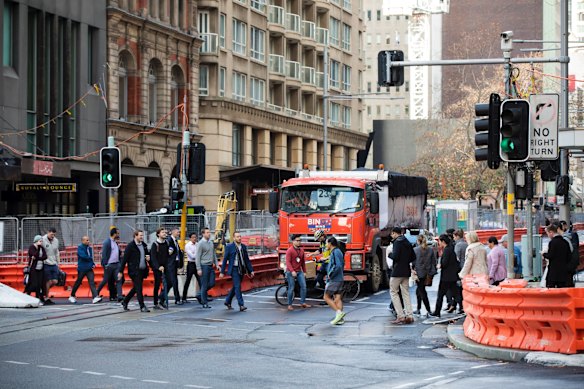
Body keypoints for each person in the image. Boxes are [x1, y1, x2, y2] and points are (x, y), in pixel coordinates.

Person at [220, 231, 255, 311]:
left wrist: (251, 270)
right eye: (237, 237)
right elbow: (225, 259)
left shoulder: (243, 247)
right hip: (234, 269)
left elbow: (247, 260)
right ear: (234, 238)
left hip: (241, 268)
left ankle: (227, 301)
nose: (239, 238)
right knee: (238, 286)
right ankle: (241, 305)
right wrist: (222, 272)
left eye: (240, 236)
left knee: (236, 286)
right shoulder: (229, 247)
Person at [118, 230, 151, 312]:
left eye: (142, 235)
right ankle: (142, 306)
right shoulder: (130, 246)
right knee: (139, 288)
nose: (142, 237)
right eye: (140, 235)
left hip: (142, 270)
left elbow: (147, 255)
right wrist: (120, 271)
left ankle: (125, 301)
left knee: (136, 288)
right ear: (135, 236)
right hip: (134, 271)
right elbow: (124, 259)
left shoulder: (143, 245)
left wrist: (149, 259)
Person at [388, 227, 415, 324]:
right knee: (406, 293)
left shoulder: (397, 242)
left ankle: (400, 316)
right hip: (406, 271)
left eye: (392, 234)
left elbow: (395, 256)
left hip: (397, 271)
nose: (392, 236)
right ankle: (410, 315)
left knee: (393, 292)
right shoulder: (407, 241)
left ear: (395, 233)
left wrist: (389, 254)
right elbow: (413, 256)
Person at [430, 234, 463, 317]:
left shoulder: (447, 250)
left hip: (446, 277)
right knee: (456, 293)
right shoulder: (451, 249)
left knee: (440, 294)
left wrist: (440, 265)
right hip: (452, 276)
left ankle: (437, 311)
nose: (439, 243)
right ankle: (463, 307)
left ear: (443, 241)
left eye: (439, 241)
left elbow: (445, 263)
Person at [69, 236, 102, 304]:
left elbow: (90, 257)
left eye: (88, 240)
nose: (88, 241)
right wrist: (89, 259)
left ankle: (95, 296)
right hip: (82, 268)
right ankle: (72, 295)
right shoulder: (80, 248)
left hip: (89, 268)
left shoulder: (89, 248)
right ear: (83, 241)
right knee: (78, 281)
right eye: (87, 240)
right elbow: (83, 256)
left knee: (91, 281)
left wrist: (92, 263)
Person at [96, 227, 123, 302]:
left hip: (116, 264)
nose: (118, 235)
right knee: (105, 280)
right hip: (109, 265)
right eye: (117, 233)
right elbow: (104, 254)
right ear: (114, 234)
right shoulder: (107, 242)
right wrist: (105, 264)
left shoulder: (115, 242)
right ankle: (96, 293)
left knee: (118, 280)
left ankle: (120, 296)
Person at [413, 234, 437, 317]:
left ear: (418, 241)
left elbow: (413, 262)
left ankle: (428, 310)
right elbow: (434, 261)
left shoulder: (415, 250)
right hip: (427, 273)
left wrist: (413, 270)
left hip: (419, 274)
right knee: (419, 291)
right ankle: (418, 308)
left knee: (422, 291)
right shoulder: (430, 250)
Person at [323, 237, 346, 325]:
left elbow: (338, 265)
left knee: (326, 297)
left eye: (326, 243)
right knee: (337, 298)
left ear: (330, 243)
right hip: (339, 278)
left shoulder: (335, 252)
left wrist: (330, 274)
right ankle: (340, 319)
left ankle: (339, 313)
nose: (326, 245)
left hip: (335, 279)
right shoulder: (338, 251)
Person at [285, 234, 310, 311]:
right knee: (291, 288)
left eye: (300, 240)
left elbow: (302, 262)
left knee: (304, 286)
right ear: (293, 241)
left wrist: (304, 271)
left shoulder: (301, 250)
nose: (299, 242)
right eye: (297, 241)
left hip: (299, 272)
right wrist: (292, 271)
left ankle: (302, 302)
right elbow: (288, 262)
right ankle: (289, 304)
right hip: (290, 272)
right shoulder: (289, 250)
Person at [543, 224, 571, 288]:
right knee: (562, 290)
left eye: (547, 233)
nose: (547, 235)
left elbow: (551, 255)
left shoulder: (552, 242)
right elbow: (569, 256)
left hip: (553, 272)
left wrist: (544, 254)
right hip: (563, 272)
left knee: (551, 291)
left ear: (551, 232)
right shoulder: (565, 242)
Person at [196, 227, 218, 308]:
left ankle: (199, 294)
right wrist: (198, 268)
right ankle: (204, 302)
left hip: (210, 265)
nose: (209, 234)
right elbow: (197, 256)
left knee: (212, 283)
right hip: (204, 265)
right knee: (204, 284)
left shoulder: (211, 243)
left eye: (209, 232)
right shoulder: (200, 244)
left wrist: (217, 264)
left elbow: (214, 254)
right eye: (207, 232)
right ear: (203, 234)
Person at [150, 227, 171, 310]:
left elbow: (167, 256)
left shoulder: (166, 243)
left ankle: (161, 298)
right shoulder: (155, 244)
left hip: (165, 266)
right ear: (158, 234)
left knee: (169, 282)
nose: (164, 234)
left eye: (165, 232)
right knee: (157, 284)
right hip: (157, 268)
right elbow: (153, 258)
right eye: (162, 232)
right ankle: (155, 303)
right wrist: (158, 267)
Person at [24, 235, 47, 303]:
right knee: (34, 283)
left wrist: (38, 258)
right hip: (34, 268)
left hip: (40, 268)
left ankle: (37, 297)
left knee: (39, 284)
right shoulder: (32, 247)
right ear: (36, 241)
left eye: (41, 241)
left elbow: (45, 256)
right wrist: (38, 249)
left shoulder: (42, 248)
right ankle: (28, 292)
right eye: (40, 241)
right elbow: (34, 254)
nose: (41, 242)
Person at [42, 227, 60, 305]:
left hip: (54, 263)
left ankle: (44, 291)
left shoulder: (56, 241)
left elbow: (57, 252)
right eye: (52, 234)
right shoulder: (43, 240)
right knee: (48, 281)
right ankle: (46, 297)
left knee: (55, 281)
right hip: (46, 263)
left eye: (54, 234)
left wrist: (58, 262)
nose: (53, 236)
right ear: (48, 232)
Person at [182, 232, 201, 304]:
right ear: (190, 238)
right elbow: (192, 256)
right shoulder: (188, 245)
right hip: (191, 264)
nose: (194, 239)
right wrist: (198, 254)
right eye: (193, 237)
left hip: (197, 264)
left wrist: (197, 254)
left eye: (195, 237)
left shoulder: (197, 244)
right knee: (188, 281)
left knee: (200, 281)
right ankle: (184, 297)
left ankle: (202, 296)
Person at [559, 220, 579, 287]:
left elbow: (574, 247)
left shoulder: (572, 234)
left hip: (571, 260)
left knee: (569, 277)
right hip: (568, 261)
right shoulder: (563, 236)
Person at [167, 227, 183, 305]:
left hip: (175, 264)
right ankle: (177, 299)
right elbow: (169, 253)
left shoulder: (175, 241)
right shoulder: (170, 241)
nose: (178, 233)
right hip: (171, 264)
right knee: (174, 282)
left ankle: (162, 297)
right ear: (173, 232)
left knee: (171, 282)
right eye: (177, 232)